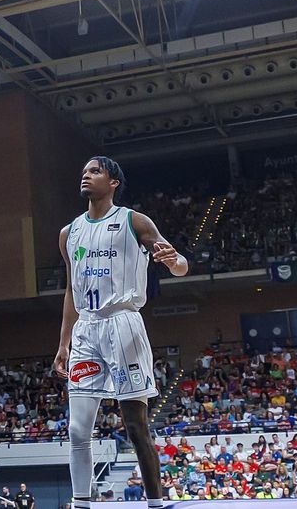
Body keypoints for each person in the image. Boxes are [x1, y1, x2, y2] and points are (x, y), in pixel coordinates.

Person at [53, 157, 187, 509]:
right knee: (78, 430)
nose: (86, 175)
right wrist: (64, 342)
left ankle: (155, 502)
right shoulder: (69, 233)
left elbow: (181, 265)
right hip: (86, 330)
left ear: (113, 182)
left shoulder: (133, 220)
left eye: (94, 171)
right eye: (83, 171)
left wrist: (174, 262)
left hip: (123, 324)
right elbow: (70, 290)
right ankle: (80, 502)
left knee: (135, 425)